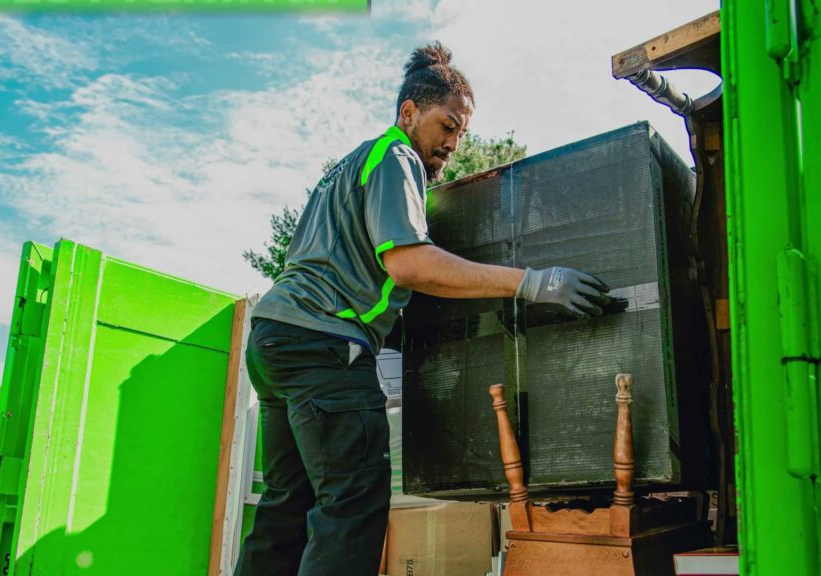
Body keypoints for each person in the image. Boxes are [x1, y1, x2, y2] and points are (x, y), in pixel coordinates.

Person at [235, 42, 611, 576]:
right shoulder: (396, 156)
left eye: (461, 134)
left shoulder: (347, 168)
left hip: (276, 339)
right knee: (351, 505)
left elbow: (349, 268)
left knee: (286, 506)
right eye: (446, 125)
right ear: (409, 111)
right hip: (325, 343)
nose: (453, 143)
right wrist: (530, 282)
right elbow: (409, 263)